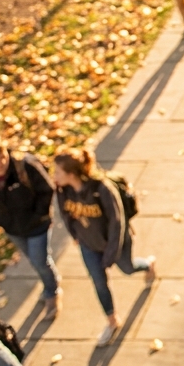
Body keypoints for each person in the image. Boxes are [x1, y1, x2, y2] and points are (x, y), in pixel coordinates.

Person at [52, 148, 155, 347]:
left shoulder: (102, 189)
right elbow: (66, 215)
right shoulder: (63, 190)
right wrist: (76, 236)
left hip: (115, 243)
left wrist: (111, 253)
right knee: (99, 282)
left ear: (71, 174)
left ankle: (147, 264)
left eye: (58, 172)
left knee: (127, 268)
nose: (54, 176)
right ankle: (111, 320)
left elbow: (117, 223)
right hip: (89, 245)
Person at [0, 141, 61, 319]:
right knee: (35, 259)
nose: (2, 162)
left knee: (39, 261)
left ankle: (52, 291)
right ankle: (51, 279)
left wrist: (39, 215)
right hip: (12, 228)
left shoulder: (24, 166)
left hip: (37, 226)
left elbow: (47, 189)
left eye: (4, 156)